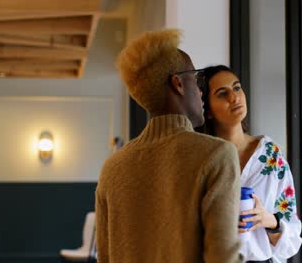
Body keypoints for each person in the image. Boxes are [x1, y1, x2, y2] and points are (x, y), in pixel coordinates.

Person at [95, 30, 243, 263]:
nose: (201, 91)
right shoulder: (216, 155)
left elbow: (104, 257)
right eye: (197, 80)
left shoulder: (112, 168)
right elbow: (223, 258)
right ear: (178, 84)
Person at [197, 65, 302, 262]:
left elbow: (292, 241)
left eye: (237, 88)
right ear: (208, 110)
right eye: (222, 93)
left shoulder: (271, 155)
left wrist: (269, 221)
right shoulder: (202, 159)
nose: (234, 97)